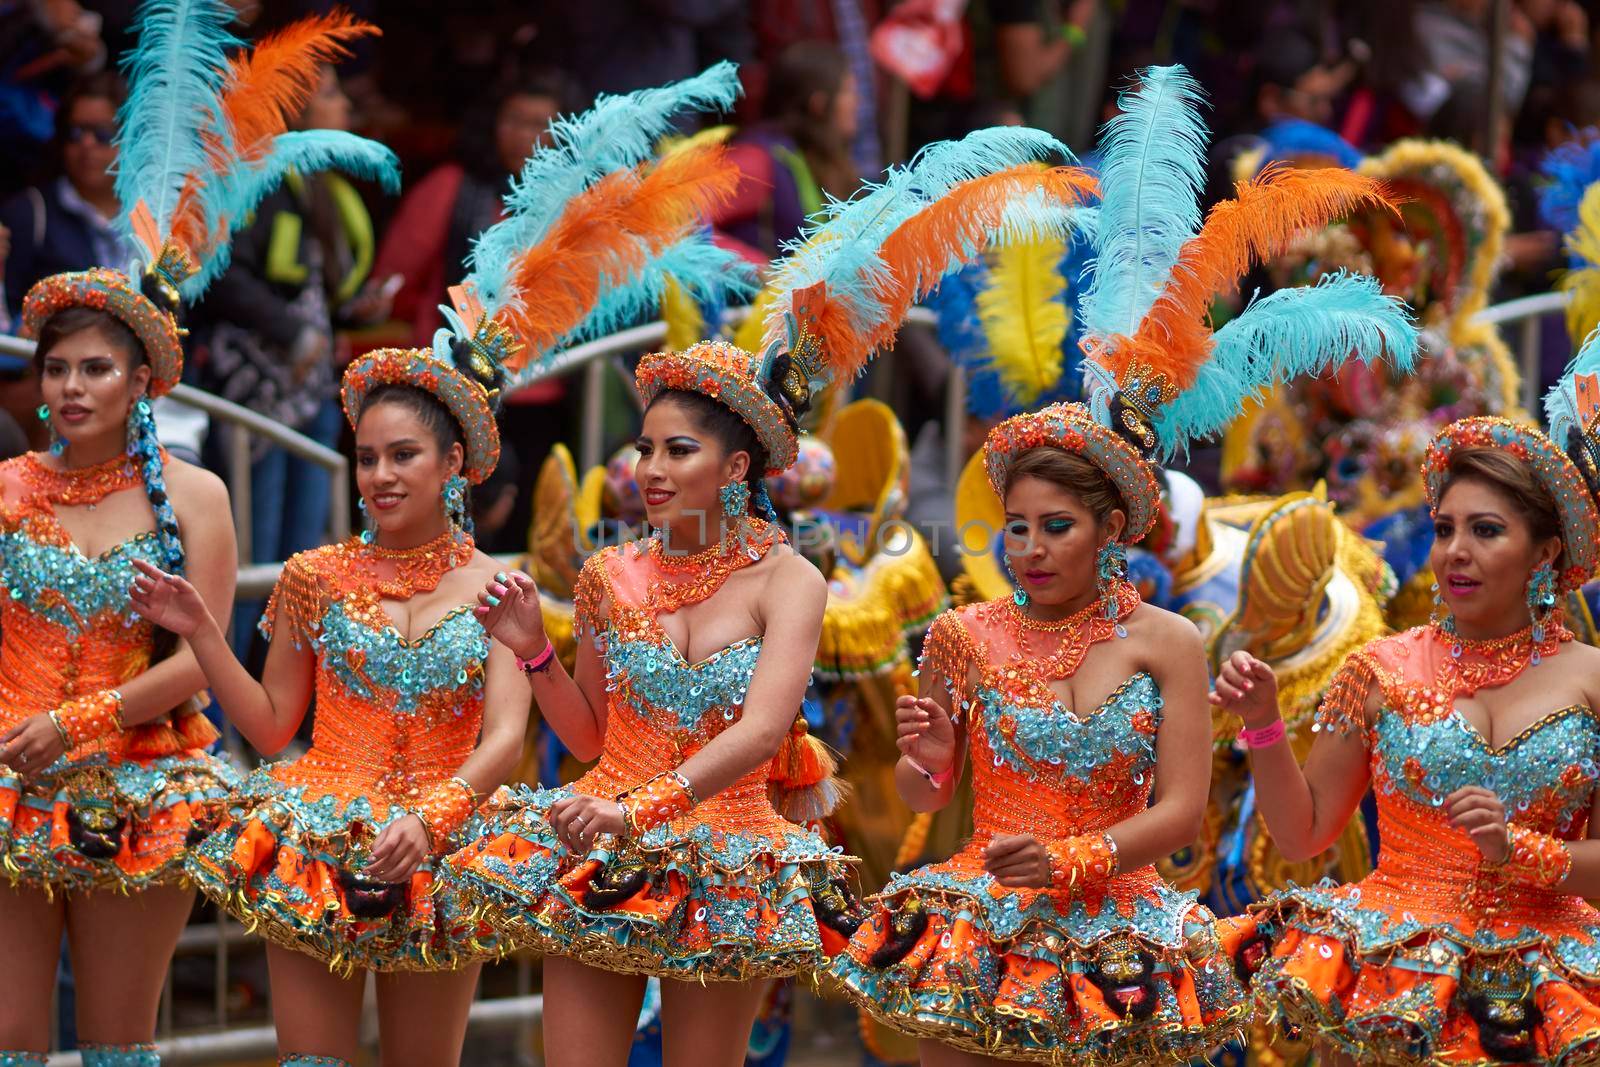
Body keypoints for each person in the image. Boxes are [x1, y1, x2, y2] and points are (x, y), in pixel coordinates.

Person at [825, 63, 1418, 1065]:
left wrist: (1067, 860)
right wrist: (924, 757)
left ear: (1112, 531)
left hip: (1115, 933)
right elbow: (930, 799)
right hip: (980, 915)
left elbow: (1181, 809)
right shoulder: (963, 632)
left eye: (1055, 526)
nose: (1027, 548)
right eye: (1015, 526)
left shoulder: (1169, 640)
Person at [0, 1, 399, 1059]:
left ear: (143, 381)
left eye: (96, 368)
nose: (73, 386)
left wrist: (77, 723)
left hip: (138, 774)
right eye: (57, 367)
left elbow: (199, 657)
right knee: (8, 1031)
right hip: (6, 771)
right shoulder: (5, 485)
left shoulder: (198, 494)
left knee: (123, 1034)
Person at [129, 325, 526, 1065]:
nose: (379, 475)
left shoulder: (499, 589)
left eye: (403, 455)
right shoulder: (315, 575)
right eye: (366, 457)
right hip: (320, 839)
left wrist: (431, 818)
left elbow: (505, 738)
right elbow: (274, 727)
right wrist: (204, 633)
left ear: (454, 463)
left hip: (443, 842)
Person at [1216, 342, 1600, 1061]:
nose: (1455, 550)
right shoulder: (1378, 668)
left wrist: (1521, 851)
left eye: (1486, 531)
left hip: (1549, 984)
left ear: (1544, 553)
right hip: (1391, 974)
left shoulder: (1593, 680)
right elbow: (1302, 836)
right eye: (1444, 529)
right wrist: (1264, 724)